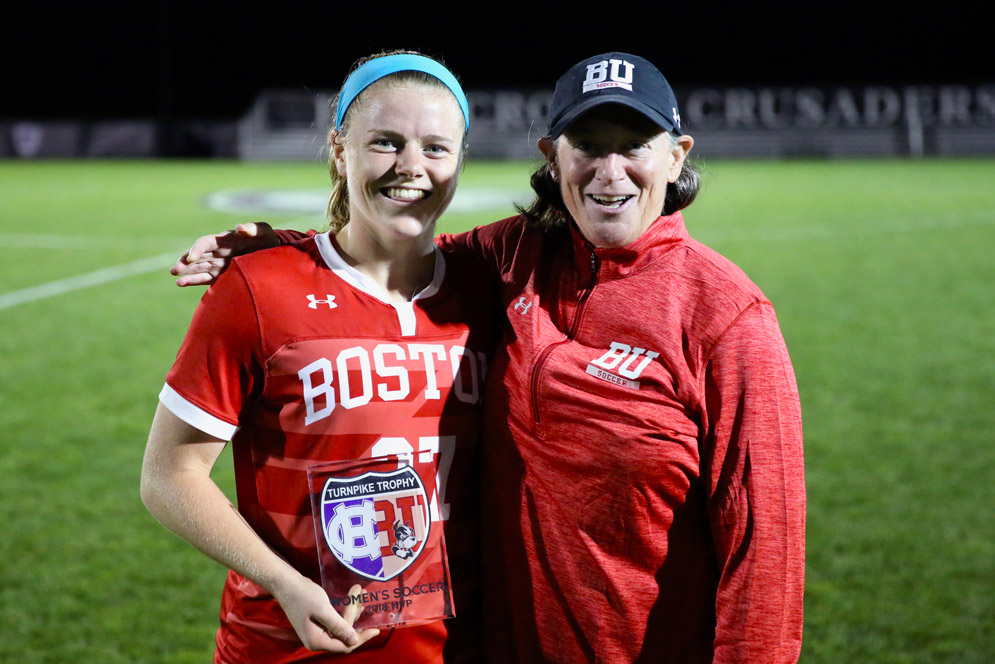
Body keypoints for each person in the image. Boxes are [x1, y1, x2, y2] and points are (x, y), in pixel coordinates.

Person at [174, 52, 805, 663]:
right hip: (489, 647)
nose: (610, 171)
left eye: (634, 145)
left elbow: (766, 544)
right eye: (586, 145)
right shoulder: (513, 259)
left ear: (676, 156)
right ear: (552, 159)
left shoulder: (726, 315)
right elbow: (399, 242)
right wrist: (278, 248)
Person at [142, 50, 498, 663]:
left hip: (454, 647)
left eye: (437, 148)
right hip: (286, 647)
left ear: (460, 159)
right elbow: (168, 476)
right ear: (340, 150)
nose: (411, 166)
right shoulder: (259, 289)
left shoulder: (491, 290)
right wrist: (285, 583)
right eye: (385, 142)